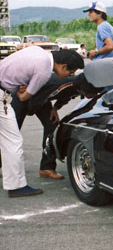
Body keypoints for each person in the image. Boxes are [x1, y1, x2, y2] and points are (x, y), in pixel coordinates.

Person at [0, 47, 84, 197]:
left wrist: (20, 85)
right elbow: (24, 98)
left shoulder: (38, 52)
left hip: (9, 90)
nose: (71, 75)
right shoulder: (45, 73)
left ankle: (36, 172)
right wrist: (20, 89)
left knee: (11, 140)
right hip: (8, 96)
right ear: (63, 66)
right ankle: (16, 186)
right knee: (12, 141)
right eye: (70, 72)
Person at [10, 72, 96, 180]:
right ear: (85, 88)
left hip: (42, 99)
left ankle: (47, 168)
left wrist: (55, 109)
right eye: (92, 93)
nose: (93, 96)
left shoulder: (77, 87)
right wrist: (29, 110)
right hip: (24, 97)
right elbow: (36, 99)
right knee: (10, 133)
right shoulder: (60, 83)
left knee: (52, 126)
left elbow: (65, 97)